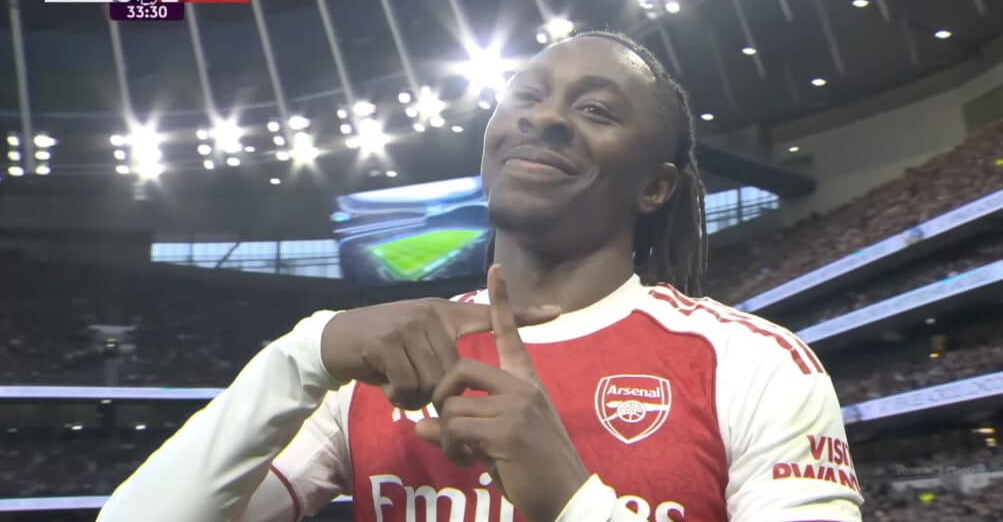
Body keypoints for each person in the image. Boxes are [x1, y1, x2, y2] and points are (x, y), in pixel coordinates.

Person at [98, 31, 863, 521]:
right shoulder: (384, 367)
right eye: (525, 96)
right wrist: (306, 351)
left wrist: (569, 499)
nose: (545, 117)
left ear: (655, 187)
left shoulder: (754, 365)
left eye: (596, 110)